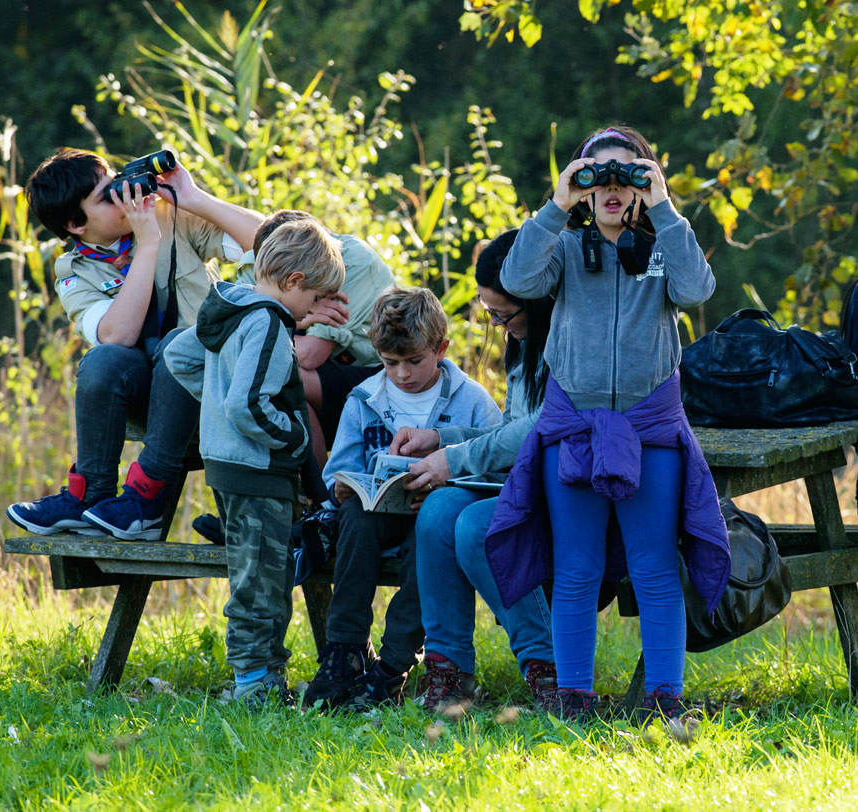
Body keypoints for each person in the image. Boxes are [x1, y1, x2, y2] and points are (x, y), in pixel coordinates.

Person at [485, 125, 730, 722]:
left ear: (646, 185)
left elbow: (698, 288)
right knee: (576, 568)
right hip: (574, 432)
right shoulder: (565, 249)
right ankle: (574, 701)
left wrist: (666, 208)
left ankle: (664, 701)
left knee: (653, 568)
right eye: (599, 174)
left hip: (651, 432)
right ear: (583, 185)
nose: (613, 186)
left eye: (630, 174)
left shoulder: (664, 248)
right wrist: (555, 205)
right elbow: (517, 280)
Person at [6, 148, 263, 540]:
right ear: (76, 224)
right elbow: (117, 336)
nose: (124, 194)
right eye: (106, 195)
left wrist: (194, 199)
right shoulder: (74, 272)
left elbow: (268, 245)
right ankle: (88, 496)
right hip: (147, 400)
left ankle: (146, 499)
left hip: (209, 388)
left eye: (116, 180)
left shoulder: (170, 218)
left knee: (179, 345)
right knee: (101, 362)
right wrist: (146, 246)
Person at [163, 219, 345, 705]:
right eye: (314, 300)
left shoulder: (233, 309)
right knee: (262, 582)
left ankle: (258, 677)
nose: (314, 313)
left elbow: (179, 356)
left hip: (231, 465)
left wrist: (217, 407)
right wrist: (293, 439)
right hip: (258, 470)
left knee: (256, 572)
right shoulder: (267, 322)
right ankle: (254, 685)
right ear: (294, 283)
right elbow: (249, 405)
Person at [304, 286, 502, 711]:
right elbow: (339, 467)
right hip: (376, 515)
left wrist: (445, 484)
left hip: (435, 518)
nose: (402, 374)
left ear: (442, 349)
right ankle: (346, 648)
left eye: (414, 361)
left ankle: (392, 665)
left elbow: (495, 467)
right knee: (354, 516)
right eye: (390, 362)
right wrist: (342, 485)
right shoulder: (365, 398)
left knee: (428, 545)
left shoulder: (471, 401)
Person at [387, 230, 558, 715]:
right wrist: (441, 440)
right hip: (523, 483)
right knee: (439, 511)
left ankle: (546, 666)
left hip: (568, 491)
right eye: (491, 315)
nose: (500, 325)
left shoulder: (565, 341)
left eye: (505, 314)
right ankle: (448, 668)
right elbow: (510, 427)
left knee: (478, 525)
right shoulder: (523, 344)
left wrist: (452, 459)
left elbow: (537, 429)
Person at [235, 210, 397, 466]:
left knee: (288, 377)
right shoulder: (255, 261)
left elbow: (309, 355)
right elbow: (241, 343)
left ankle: (319, 491)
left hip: (375, 372)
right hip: (320, 368)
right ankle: (315, 494)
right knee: (275, 372)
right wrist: (304, 318)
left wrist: (286, 320)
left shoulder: (348, 262)